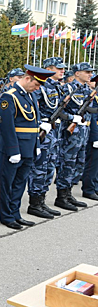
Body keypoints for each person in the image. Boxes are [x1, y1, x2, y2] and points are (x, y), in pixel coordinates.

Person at [0, 65, 53, 230]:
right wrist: (13, 150)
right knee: (7, 183)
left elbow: (34, 124)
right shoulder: (9, 96)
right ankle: (6, 216)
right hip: (14, 149)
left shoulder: (30, 96)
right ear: (28, 78)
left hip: (28, 148)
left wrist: (36, 145)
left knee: (20, 183)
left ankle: (15, 214)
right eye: (36, 84)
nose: (38, 88)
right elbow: (7, 126)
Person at [26, 57, 65, 218]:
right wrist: (41, 123)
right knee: (39, 168)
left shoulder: (57, 87)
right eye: (59, 68)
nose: (62, 71)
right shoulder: (40, 87)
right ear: (49, 69)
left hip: (53, 134)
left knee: (49, 168)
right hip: (42, 133)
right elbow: (31, 109)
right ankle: (34, 203)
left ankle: (42, 200)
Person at [54, 62, 95, 211]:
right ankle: (61, 196)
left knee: (79, 163)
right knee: (67, 163)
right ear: (77, 73)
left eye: (91, 72)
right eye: (87, 72)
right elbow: (58, 111)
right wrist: (72, 118)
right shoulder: (67, 88)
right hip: (71, 133)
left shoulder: (87, 89)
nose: (90, 74)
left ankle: (69, 193)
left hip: (83, 132)